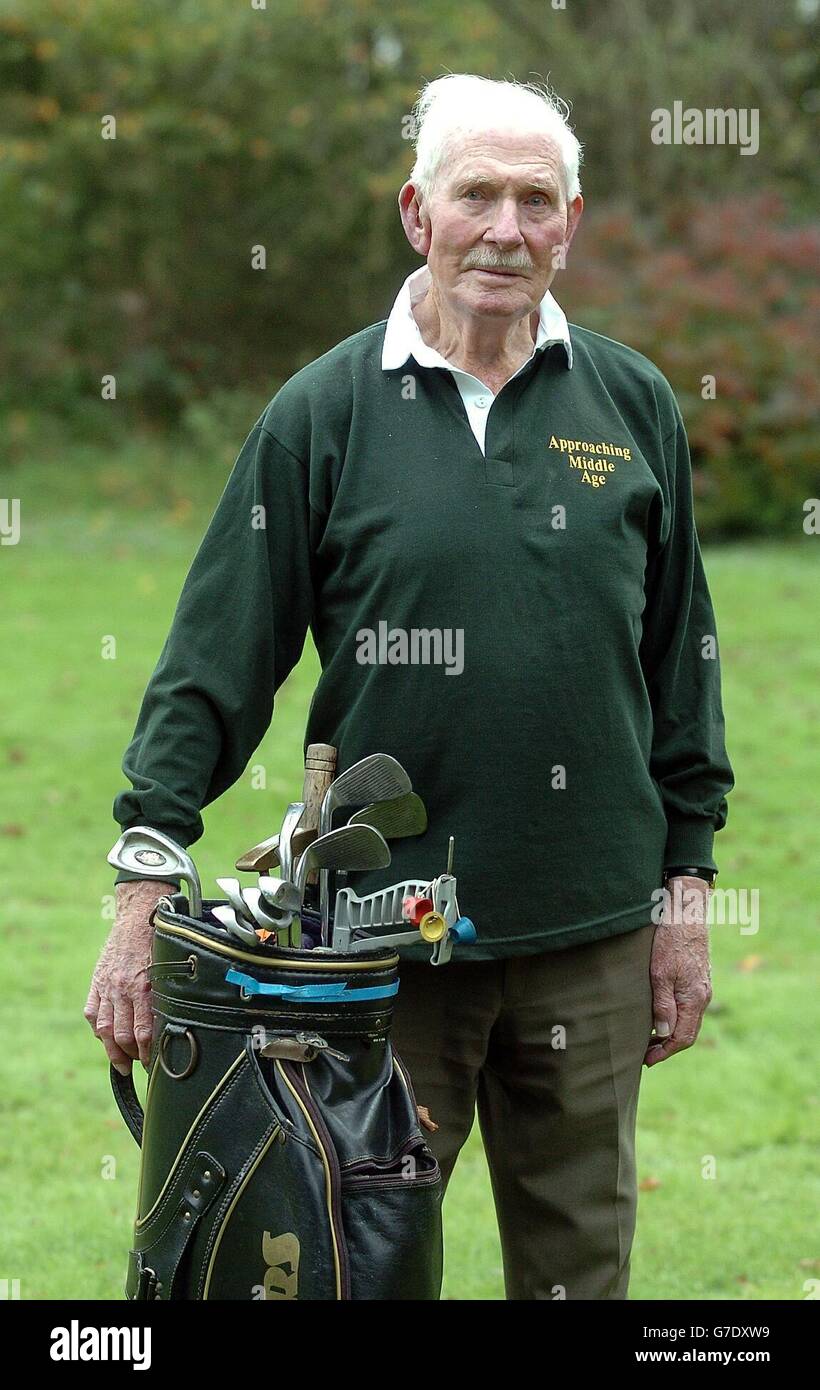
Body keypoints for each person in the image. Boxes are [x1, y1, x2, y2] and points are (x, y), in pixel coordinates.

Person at [87, 73, 734, 1300]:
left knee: (580, 1275)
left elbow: (680, 662)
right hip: (382, 945)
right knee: (355, 1268)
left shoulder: (632, 403)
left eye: (534, 200)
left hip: (589, 934)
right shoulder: (322, 413)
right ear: (415, 214)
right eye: (474, 194)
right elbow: (216, 658)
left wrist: (685, 890)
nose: (504, 227)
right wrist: (143, 872)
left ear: (571, 222)